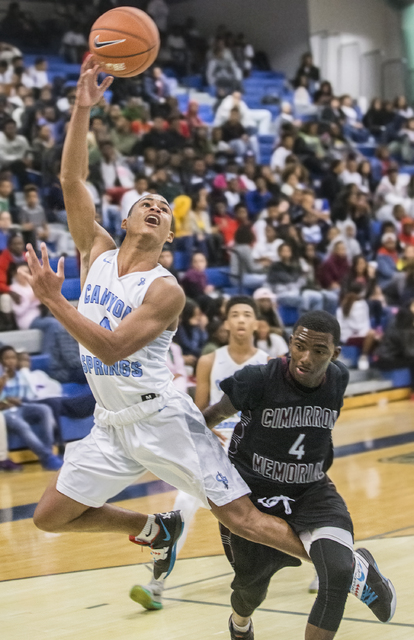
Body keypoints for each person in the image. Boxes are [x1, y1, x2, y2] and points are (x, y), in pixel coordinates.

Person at [28, 57, 322, 591]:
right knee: (49, 516)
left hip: (162, 418)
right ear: (122, 220)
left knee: (240, 518)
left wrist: (55, 300)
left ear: (169, 239)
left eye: (163, 207)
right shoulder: (96, 249)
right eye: (145, 202)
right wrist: (81, 108)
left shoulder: (166, 289)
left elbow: (114, 349)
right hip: (111, 425)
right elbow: (72, 177)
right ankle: (155, 529)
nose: (155, 206)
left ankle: (344, 565)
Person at [201, 311, 396, 639]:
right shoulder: (257, 379)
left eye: (319, 351)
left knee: (335, 575)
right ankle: (240, 624)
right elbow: (212, 415)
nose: (305, 358)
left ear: (334, 354)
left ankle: (352, 567)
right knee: (249, 593)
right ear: (290, 341)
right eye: (299, 346)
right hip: (254, 496)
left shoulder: (338, 379)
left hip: (311, 491)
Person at [130, 296, 270, 610]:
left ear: (257, 323)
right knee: (182, 504)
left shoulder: (268, 362)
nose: (241, 320)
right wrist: (206, 431)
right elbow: (200, 411)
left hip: (252, 454)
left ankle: (324, 568)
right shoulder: (209, 360)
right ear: (226, 322)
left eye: (247, 314)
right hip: (215, 452)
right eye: (235, 314)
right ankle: (156, 585)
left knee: (284, 508)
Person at [0, 345, 63, 471]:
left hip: (22, 406)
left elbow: (28, 397)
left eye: (13, 357)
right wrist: (7, 400)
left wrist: (17, 400)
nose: (10, 361)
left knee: (45, 409)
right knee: (22, 425)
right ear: (1, 361)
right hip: (7, 412)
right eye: (7, 358)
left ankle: (48, 451)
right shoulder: (1, 378)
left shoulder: (22, 376)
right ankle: (47, 456)